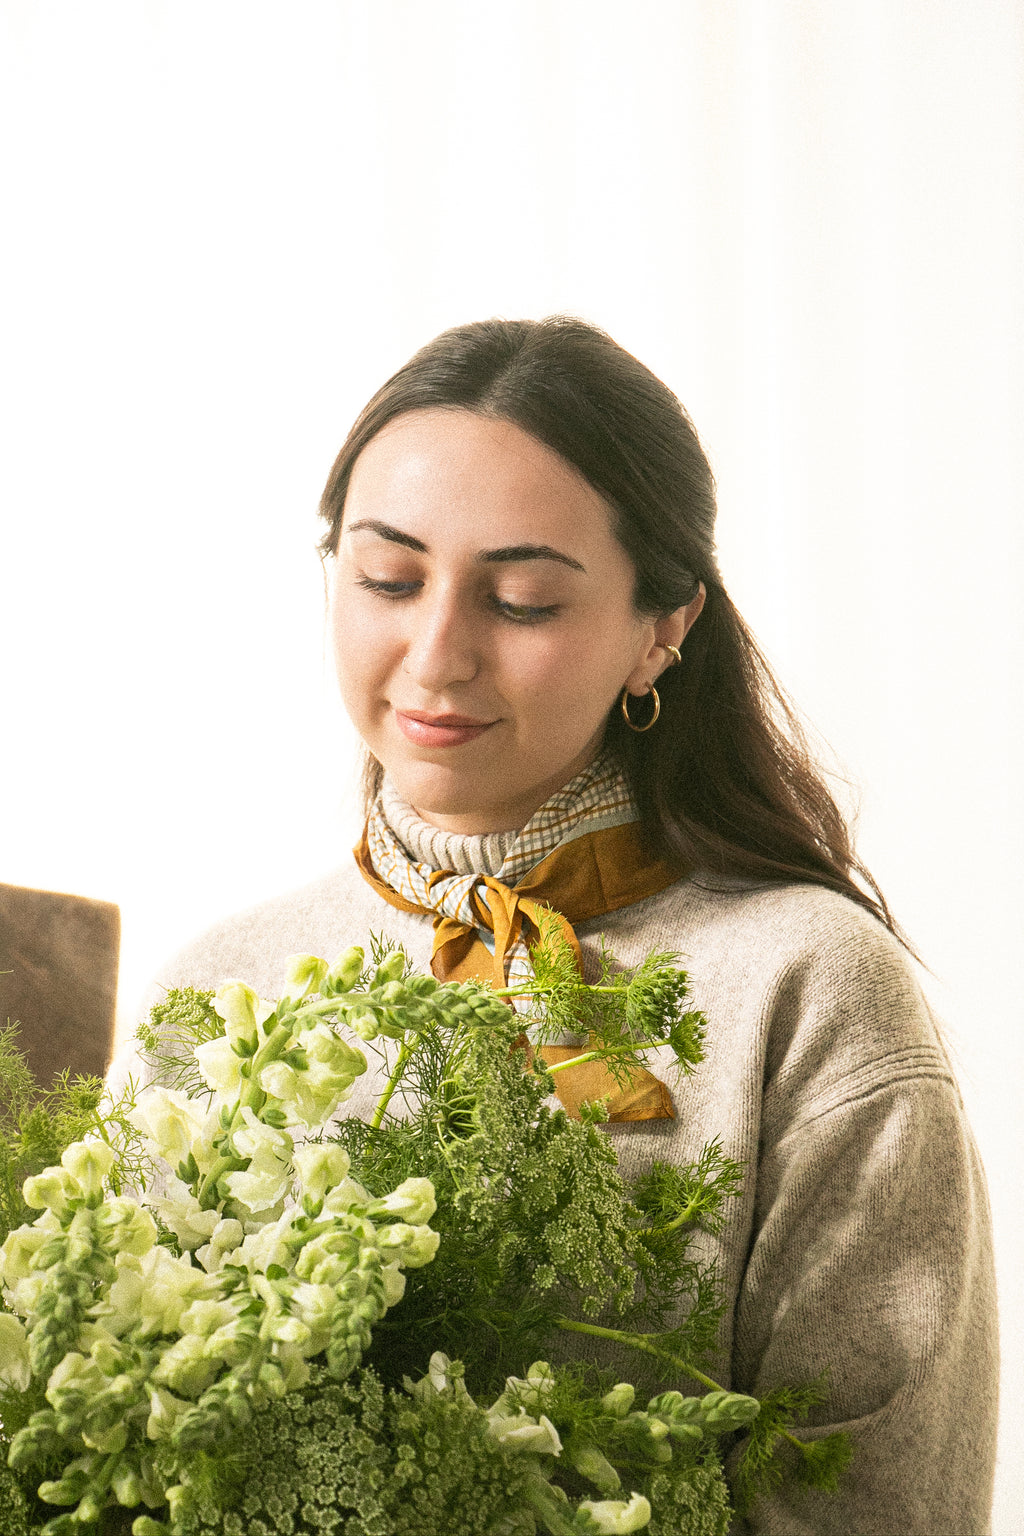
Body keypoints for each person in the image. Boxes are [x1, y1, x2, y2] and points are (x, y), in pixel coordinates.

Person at [109, 316, 998, 1533]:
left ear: (663, 625)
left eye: (520, 601)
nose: (435, 656)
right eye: (386, 578)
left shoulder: (805, 992)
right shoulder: (218, 993)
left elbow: (876, 1504)